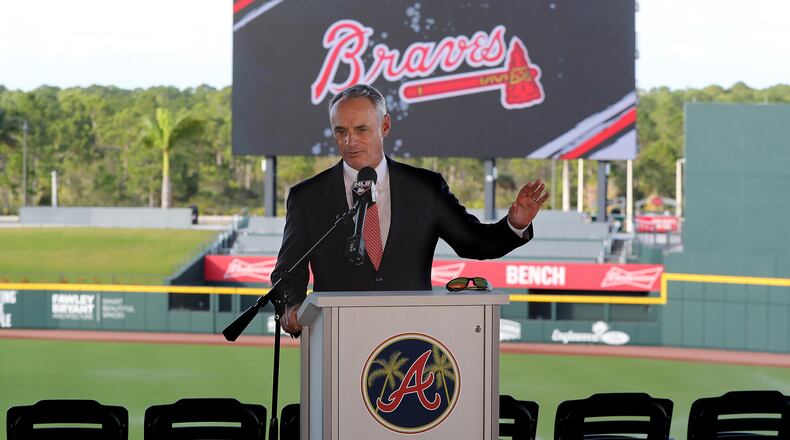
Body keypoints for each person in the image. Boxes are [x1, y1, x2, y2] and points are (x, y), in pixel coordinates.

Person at [272, 84, 548, 335]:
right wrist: (291, 305)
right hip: (337, 338)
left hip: (411, 338)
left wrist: (514, 225)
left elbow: (473, 242)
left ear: (385, 126)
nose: (349, 141)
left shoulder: (425, 188)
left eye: (361, 129)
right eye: (340, 131)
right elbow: (288, 270)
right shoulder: (307, 197)